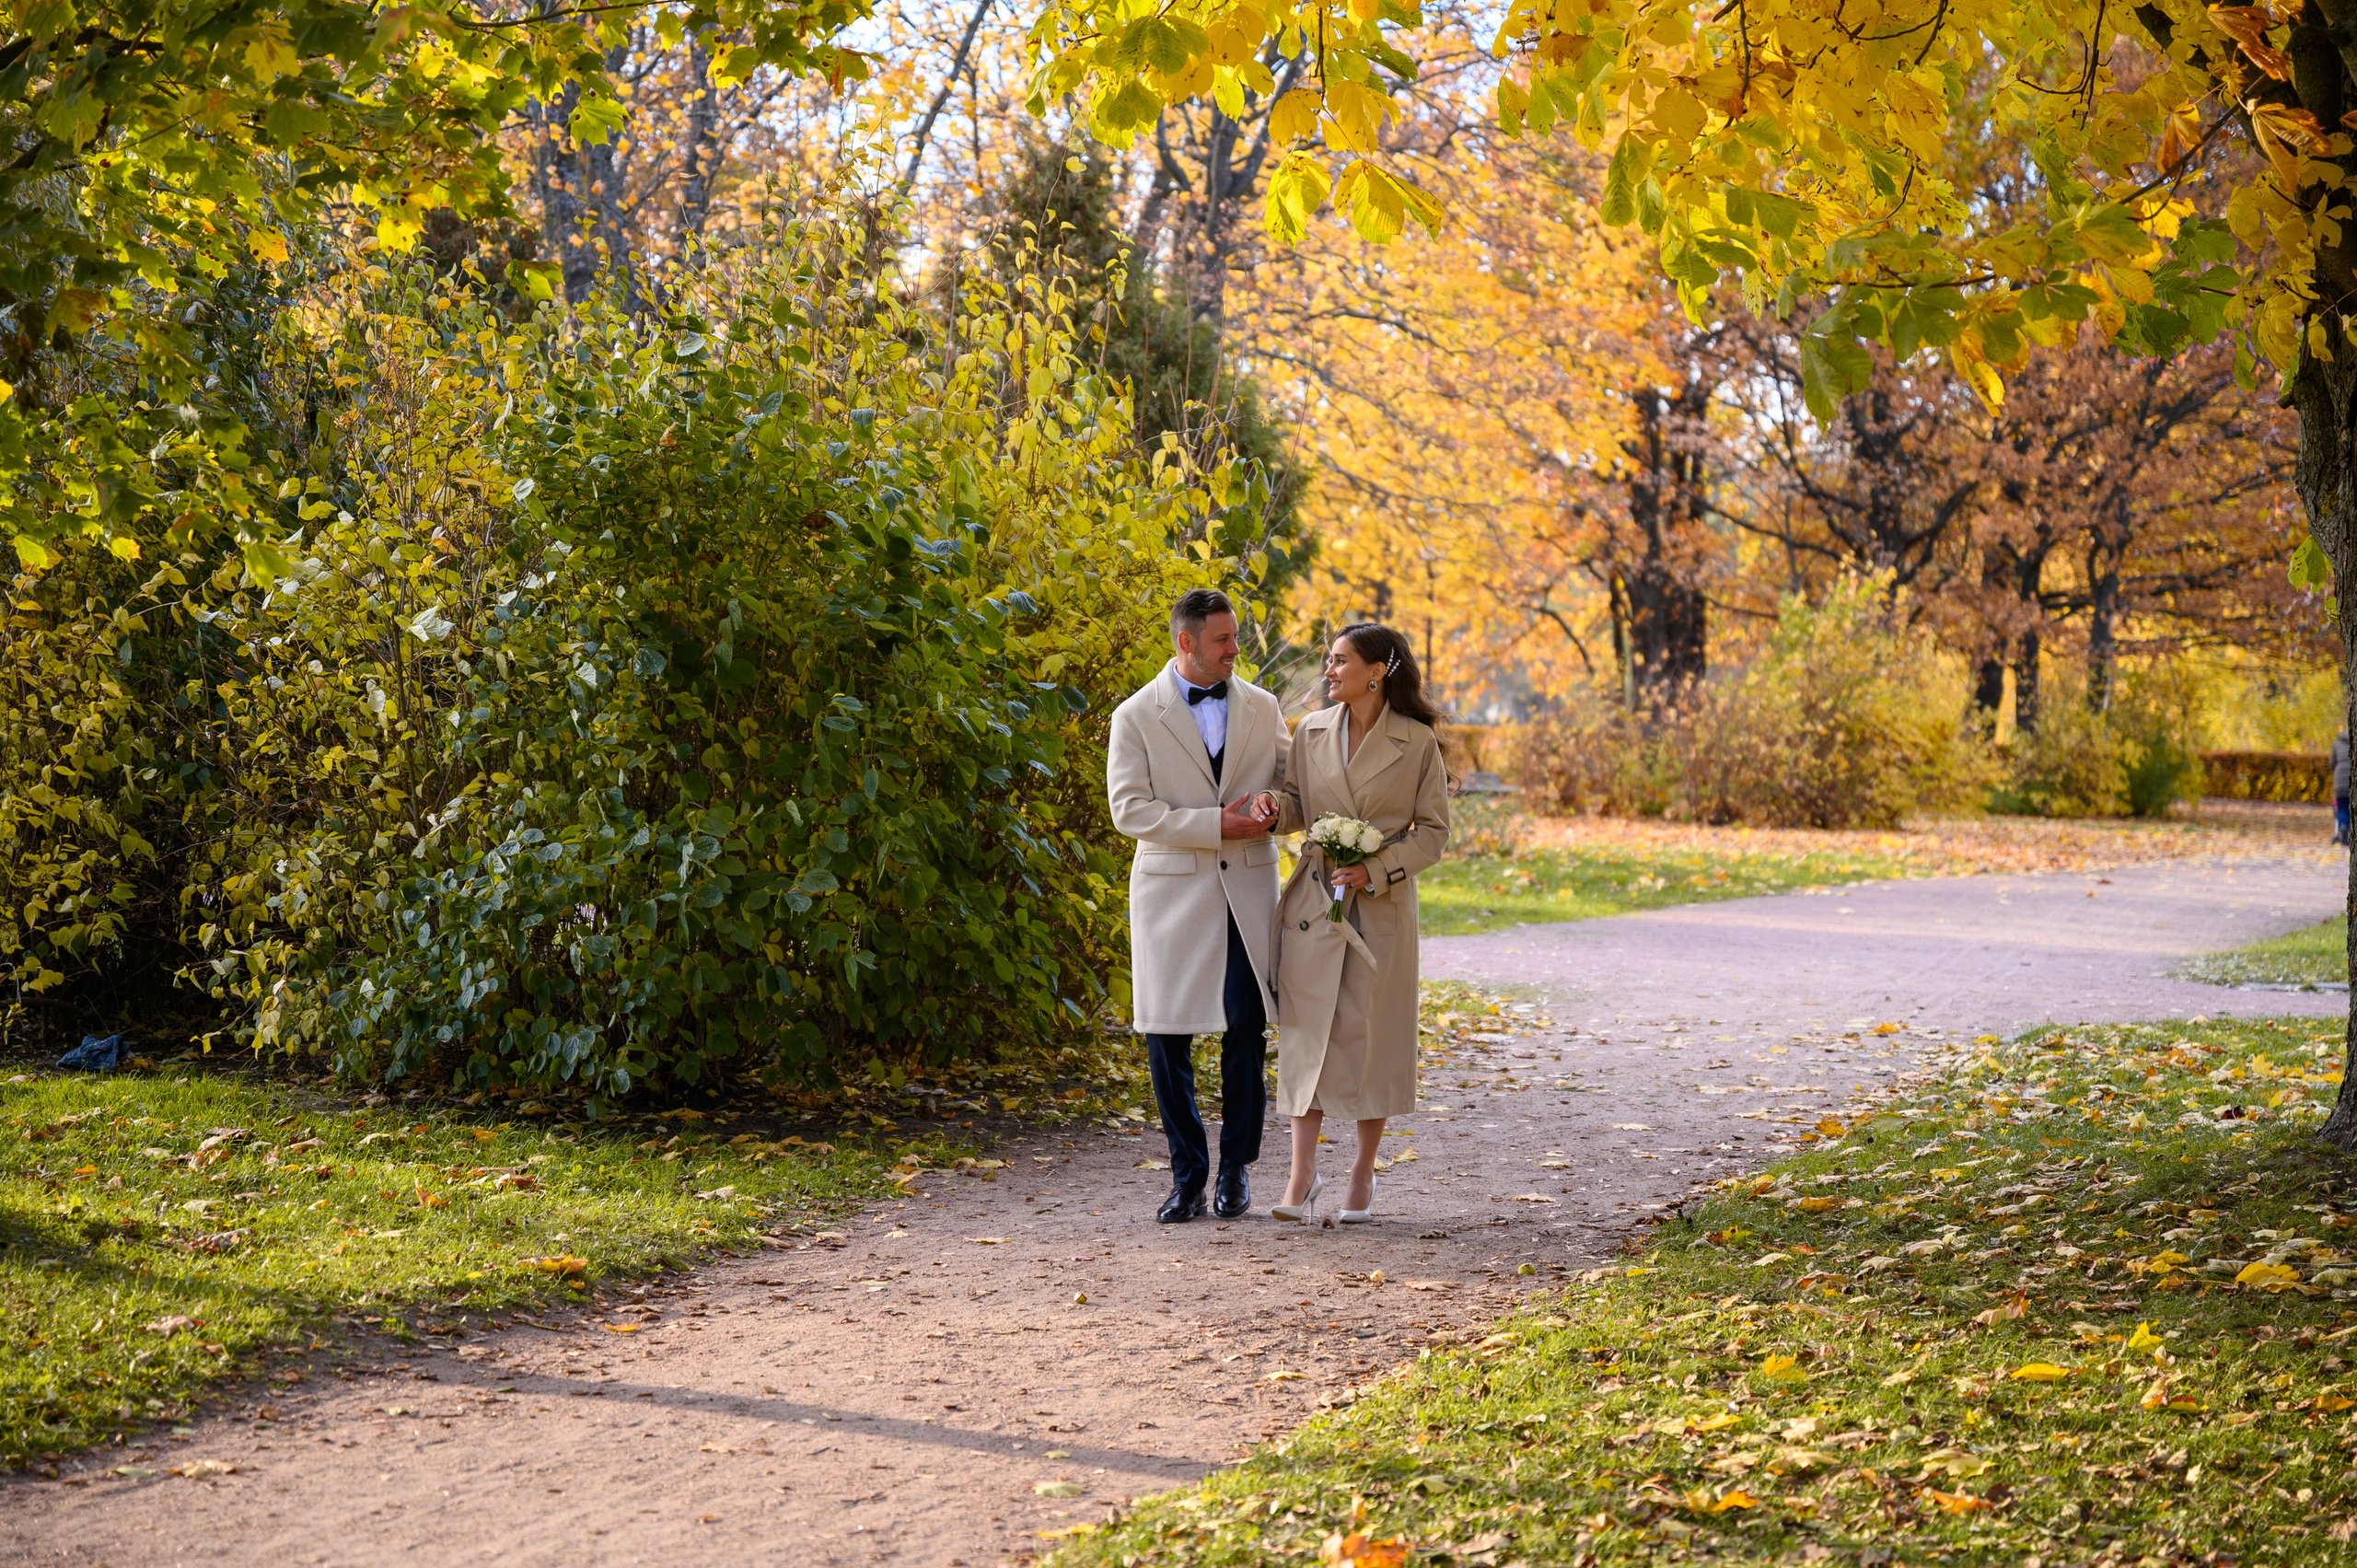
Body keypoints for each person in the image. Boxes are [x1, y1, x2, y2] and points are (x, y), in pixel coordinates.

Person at [1105, 589, 1290, 1223]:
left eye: (1235, 637)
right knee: (1166, 1035)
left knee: (1245, 1027)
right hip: (1171, 892)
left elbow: (1292, 786)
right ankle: (1188, 1174)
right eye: (1223, 640)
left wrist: (1272, 807)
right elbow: (1129, 809)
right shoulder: (1134, 715)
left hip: (1247, 888)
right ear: (1186, 642)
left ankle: (1236, 1169)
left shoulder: (1264, 708)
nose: (1236, 649)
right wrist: (1216, 824)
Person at [1267, 622, 1451, 1225]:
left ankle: (1362, 1173)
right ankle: (1301, 1173)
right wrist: (1273, 809)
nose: (1329, 671)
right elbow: (1297, 803)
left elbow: (1433, 831)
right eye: (1327, 660)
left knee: (1372, 1036)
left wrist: (1377, 869)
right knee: (1305, 1034)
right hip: (1315, 904)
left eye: (1340, 661)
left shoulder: (1417, 742)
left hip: (1380, 909)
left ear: (1377, 670)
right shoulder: (1311, 732)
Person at [2335, 730, 2350, 847]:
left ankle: (2343, 828)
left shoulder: (2337, 743)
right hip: (2353, 779)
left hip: (2339, 780)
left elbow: (2332, 763)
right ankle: (2350, 831)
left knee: (2342, 808)